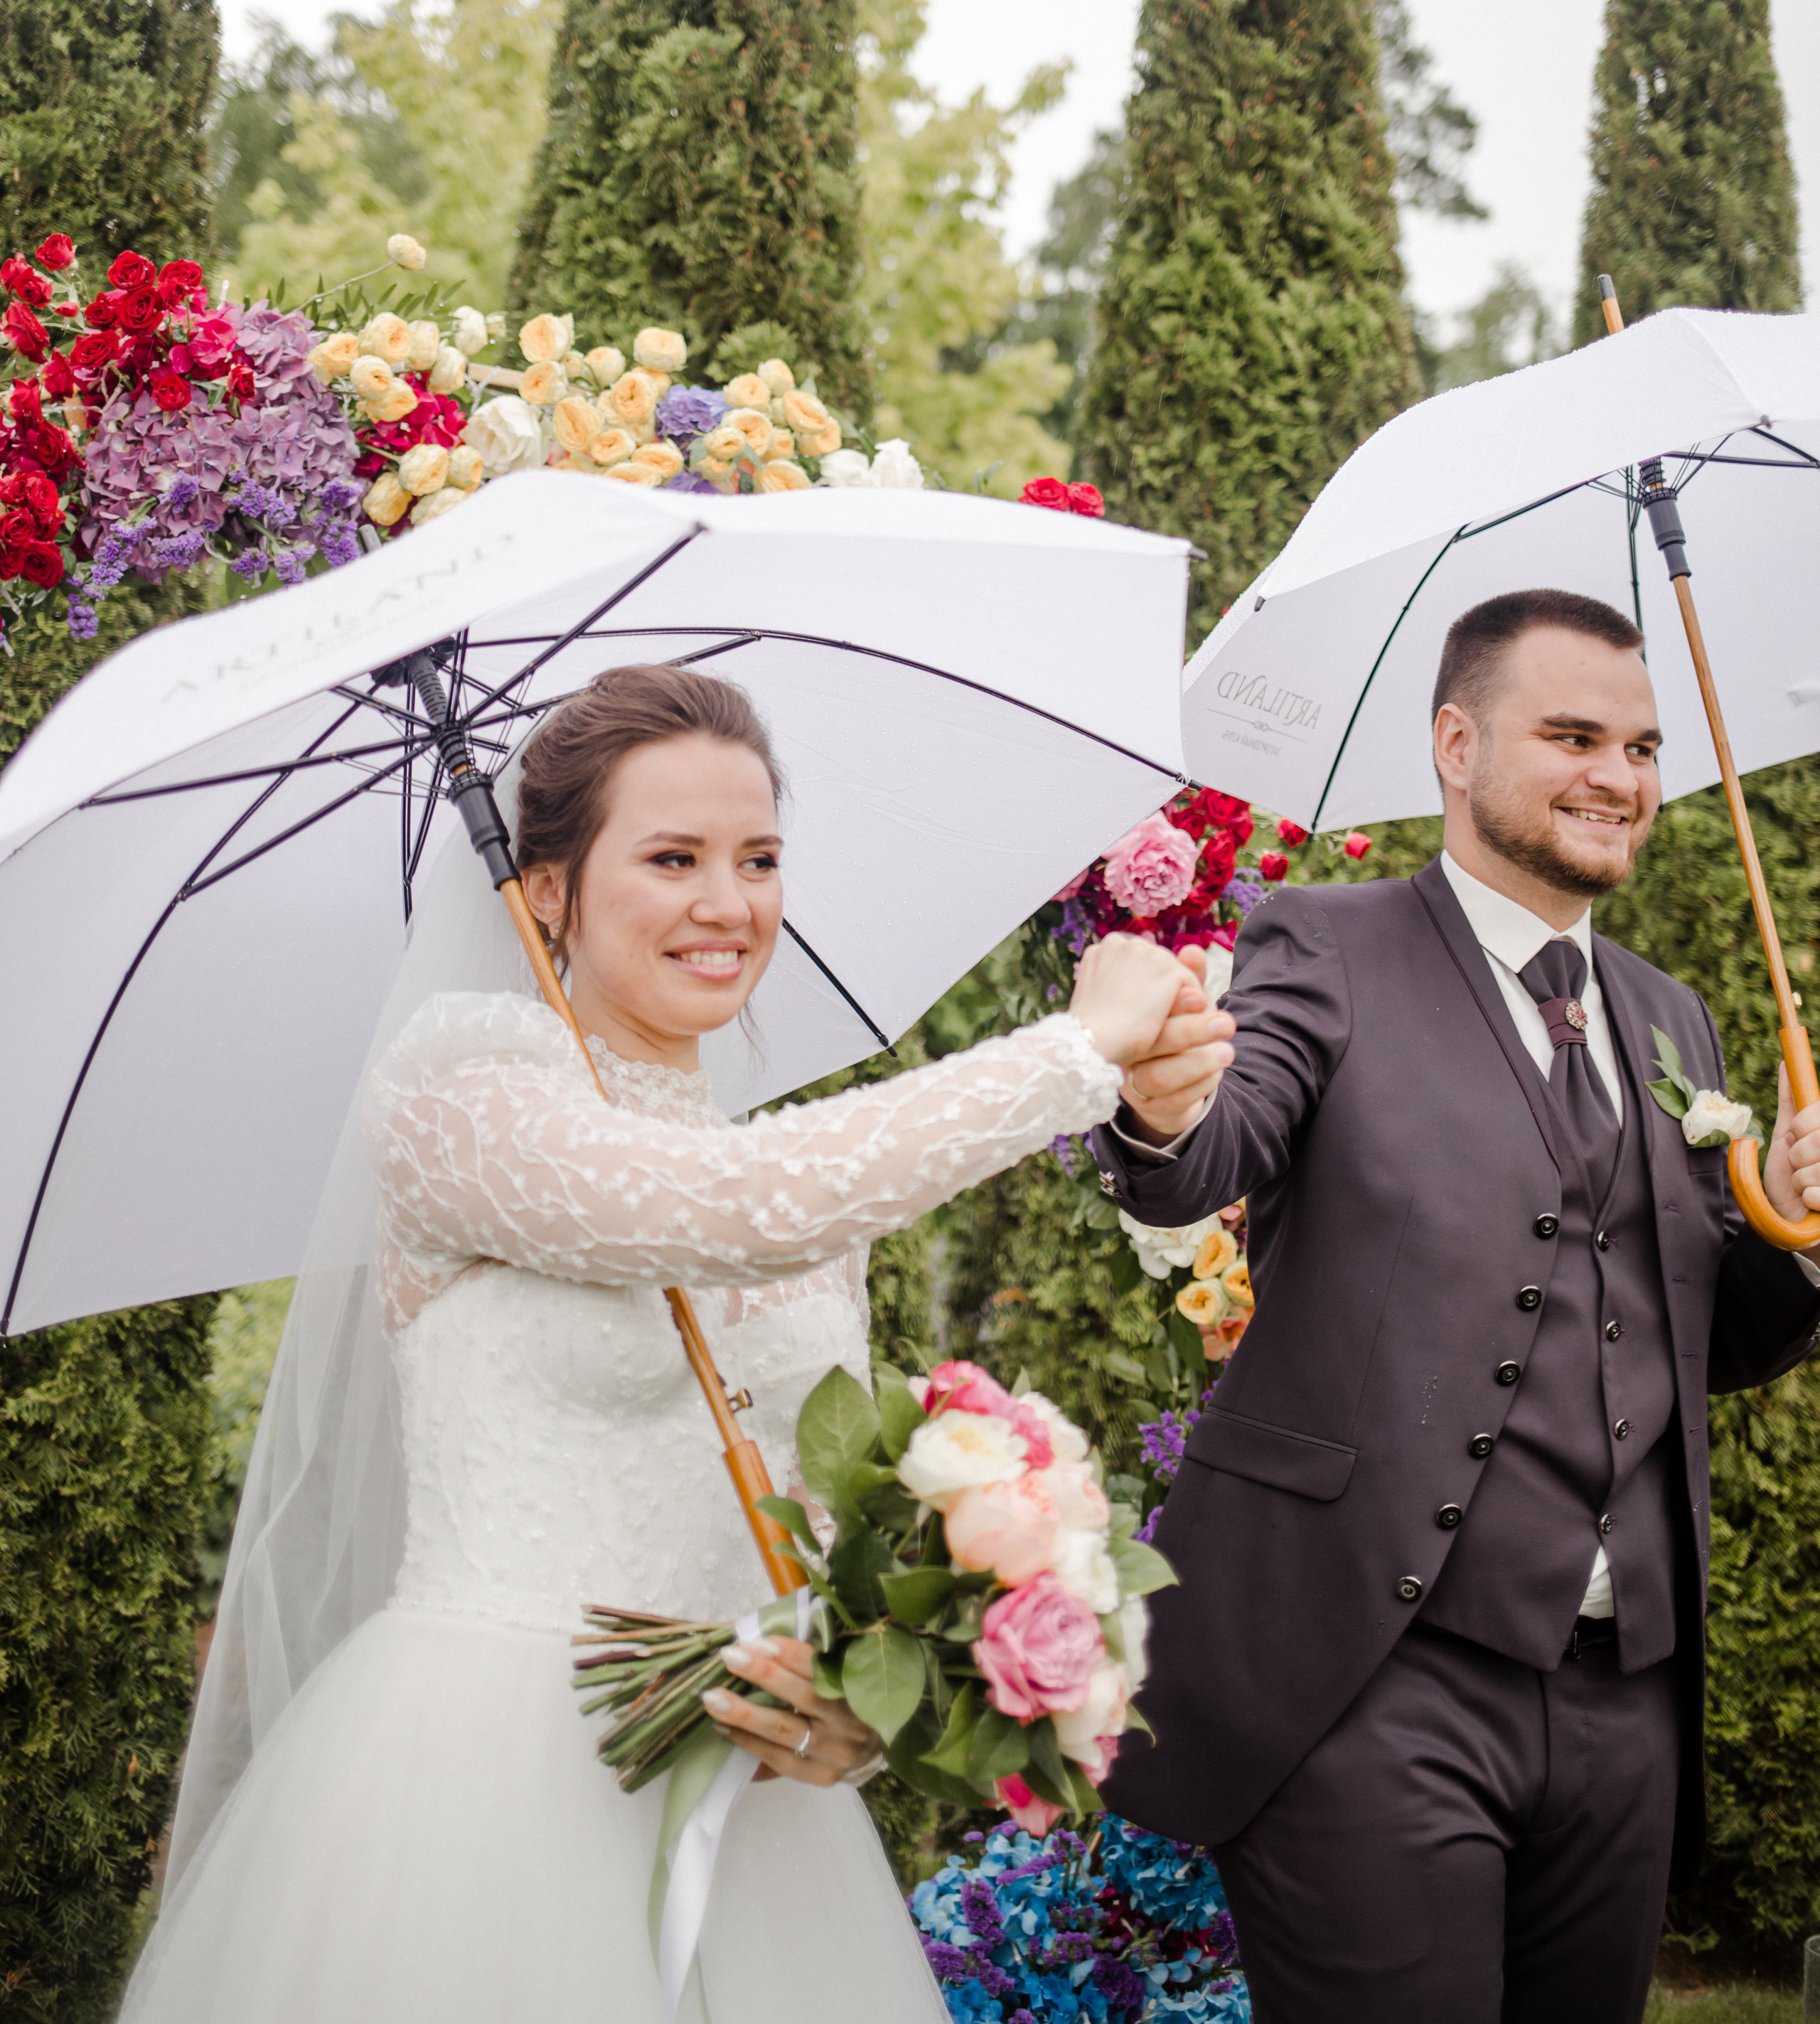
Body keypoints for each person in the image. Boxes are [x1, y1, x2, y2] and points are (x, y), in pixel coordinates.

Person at [124, 664, 1226, 2024]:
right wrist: (1072, 1055)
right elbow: (731, 1214)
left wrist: (846, 1718)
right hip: (479, 1795)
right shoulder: (459, 1088)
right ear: (545, 891)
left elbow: (815, 1517)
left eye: (759, 858)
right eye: (672, 858)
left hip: (751, 1820)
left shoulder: (800, 1164)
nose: (730, 903)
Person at [1095, 588, 1820, 2024]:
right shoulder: (1321, 945)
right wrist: (1162, 1107)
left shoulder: (1670, 1017)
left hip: (1622, 1696)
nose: (1614, 777)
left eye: (1637, 745)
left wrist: (1796, 1243)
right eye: (1568, 735)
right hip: (1371, 1678)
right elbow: (1212, 1155)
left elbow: (1691, 1330)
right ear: (1452, 742)